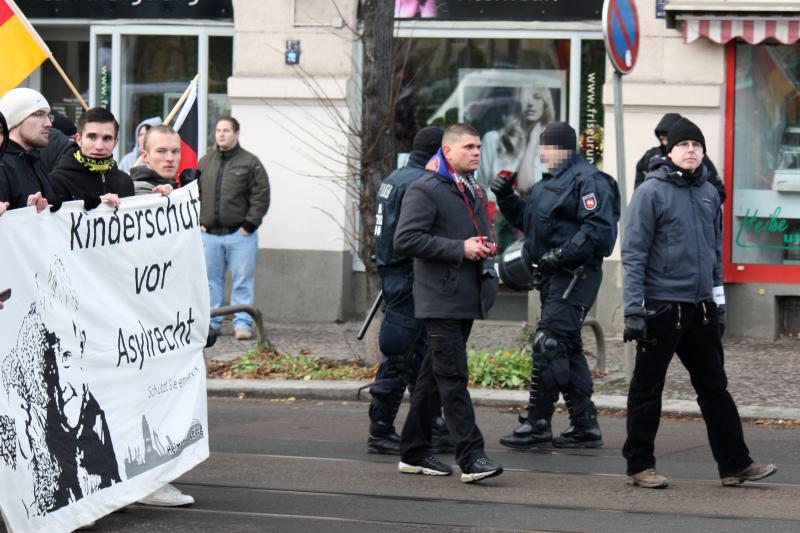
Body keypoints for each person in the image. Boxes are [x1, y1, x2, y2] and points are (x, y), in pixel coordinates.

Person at [622, 118, 776, 489]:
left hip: (701, 308)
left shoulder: (708, 193)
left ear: (703, 152)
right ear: (669, 151)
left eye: (697, 145)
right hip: (661, 308)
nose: (690, 150)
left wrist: (719, 307)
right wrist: (633, 310)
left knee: (714, 388)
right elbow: (634, 254)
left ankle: (735, 464)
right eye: (683, 145)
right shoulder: (650, 193)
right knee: (647, 388)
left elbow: (714, 257)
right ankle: (640, 466)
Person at [492, 122, 620, 451]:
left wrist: (560, 256)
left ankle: (537, 423)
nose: (541, 154)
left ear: (559, 148)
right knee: (566, 347)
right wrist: (505, 197)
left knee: (547, 343)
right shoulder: (551, 182)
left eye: (545, 148)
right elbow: (531, 222)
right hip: (553, 277)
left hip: (575, 276)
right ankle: (584, 425)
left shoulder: (589, 180)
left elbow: (598, 232)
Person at [394, 123, 503, 484]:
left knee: (432, 377)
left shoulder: (472, 188)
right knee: (453, 376)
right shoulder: (424, 188)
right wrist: (460, 249)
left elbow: (474, 230)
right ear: (449, 151)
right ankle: (472, 458)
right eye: (469, 147)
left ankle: (413, 451)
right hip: (439, 299)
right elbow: (406, 239)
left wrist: (486, 244)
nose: (476, 152)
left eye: (478, 147)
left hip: (464, 296)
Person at [367, 126, 452, 456]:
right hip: (408, 276)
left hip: (395, 275)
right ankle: (382, 429)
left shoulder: (396, 177)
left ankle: (431, 423)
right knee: (402, 353)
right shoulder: (421, 183)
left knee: (418, 353)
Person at [199, 116, 270, 340]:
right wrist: (198, 222)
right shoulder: (205, 162)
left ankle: (242, 324)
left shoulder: (250, 162)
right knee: (211, 282)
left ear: (237, 134)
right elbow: (195, 194)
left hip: (240, 235)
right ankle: (213, 322)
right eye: (218, 130)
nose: (221, 134)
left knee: (242, 281)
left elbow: (261, 195)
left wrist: (250, 224)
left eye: (226, 130)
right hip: (209, 234)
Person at [477, 86, 555, 251]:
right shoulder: (493, 140)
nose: (530, 104)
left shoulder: (551, 148)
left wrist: (533, 142)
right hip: (496, 228)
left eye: (537, 97)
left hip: (536, 233)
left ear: (546, 103)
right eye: (525, 97)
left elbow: (528, 187)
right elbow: (481, 187)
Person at [48, 107, 138, 207]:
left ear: (115, 142)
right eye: (92, 137)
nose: (99, 146)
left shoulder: (125, 182)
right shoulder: (57, 181)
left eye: (107, 138)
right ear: (78, 139)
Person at [634, 112, 726, 203]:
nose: (690, 150)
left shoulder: (696, 158)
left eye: (668, 138)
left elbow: (718, 193)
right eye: (662, 139)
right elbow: (640, 196)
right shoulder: (650, 157)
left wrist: (699, 203)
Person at [0, 88, 56, 209]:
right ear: (15, 120)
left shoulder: (34, 160)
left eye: (48, 116)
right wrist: (27, 216)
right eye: (39, 114)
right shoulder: (3, 165)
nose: (48, 123)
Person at [130, 125, 180, 195]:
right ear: (145, 156)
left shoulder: (179, 187)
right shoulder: (131, 192)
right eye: (161, 151)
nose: (170, 158)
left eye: (175, 151)